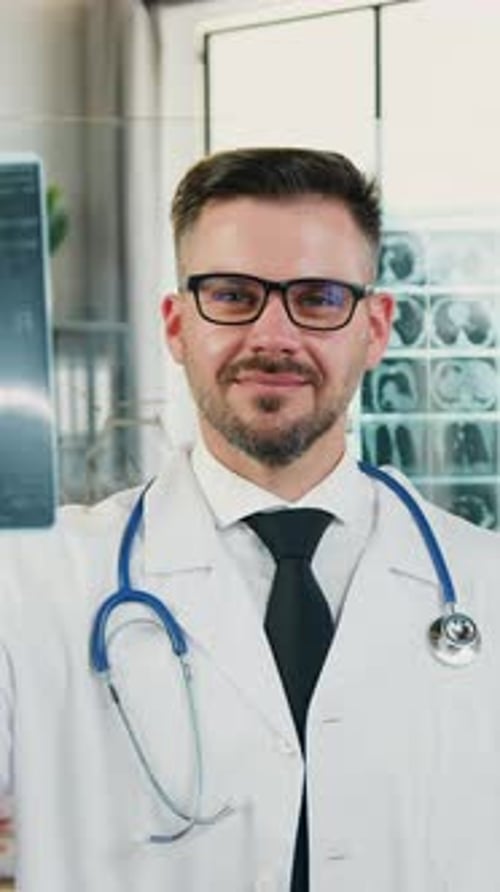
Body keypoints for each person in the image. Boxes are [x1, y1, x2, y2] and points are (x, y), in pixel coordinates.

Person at [0, 147, 500, 892]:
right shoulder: (36, 583)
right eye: (232, 295)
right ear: (176, 325)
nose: (273, 336)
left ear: (376, 327)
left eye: (320, 297)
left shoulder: (483, 579)